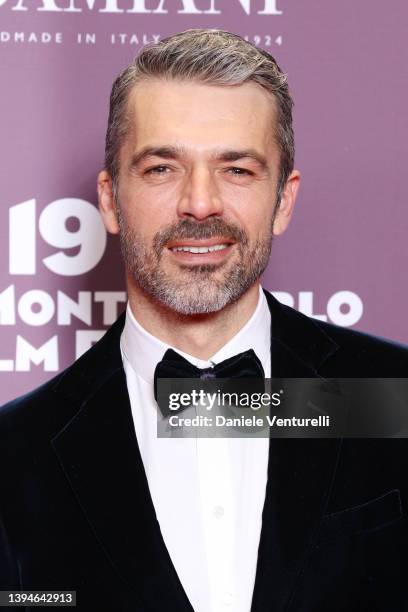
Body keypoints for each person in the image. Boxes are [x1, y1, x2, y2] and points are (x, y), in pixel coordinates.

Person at [1, 29, 408, 612]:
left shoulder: (392, 399)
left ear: (283, 201)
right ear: (111, 200)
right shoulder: (16, 455)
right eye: (162, 168)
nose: (200, 203)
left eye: (236, 169)